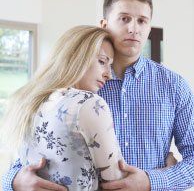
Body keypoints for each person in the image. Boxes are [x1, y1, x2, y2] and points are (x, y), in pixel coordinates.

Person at [2, 0, 194, 191]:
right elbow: (28, 157)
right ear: (104, 24)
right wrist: (15, 182)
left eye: (142, 21)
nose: (133, 28)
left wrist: (152, 181)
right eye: (124, 19)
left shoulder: (174, 86)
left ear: (149, 28)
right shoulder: (70, 90)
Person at [1, 25, 128, 190]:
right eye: (102, 61)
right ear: (76, 57)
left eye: (110, 66)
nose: (108, 74)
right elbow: (118, 183)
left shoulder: (25, 101)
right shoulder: (89, 103)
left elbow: (20, 167)